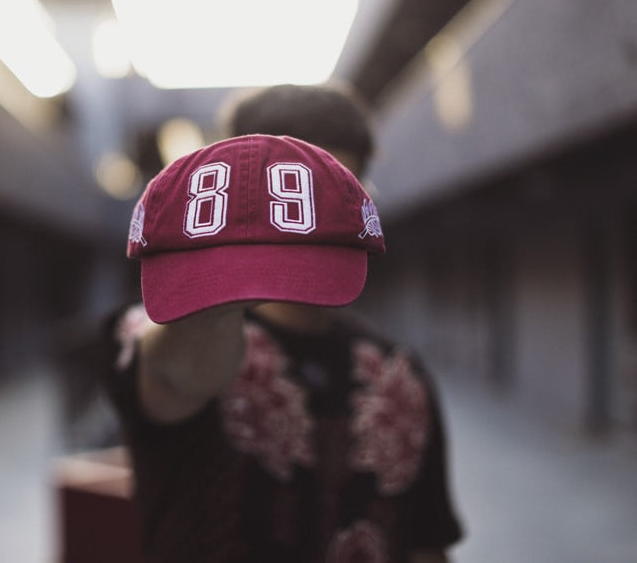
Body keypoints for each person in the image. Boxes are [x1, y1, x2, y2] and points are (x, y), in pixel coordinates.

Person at [100, 85, 463, 563]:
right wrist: (222, 270)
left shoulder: (399, 372)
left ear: (364, 195)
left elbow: (425, 544)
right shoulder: (160, 332)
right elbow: (177, 372)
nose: (312, 217)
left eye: (334, 187)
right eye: (296, 191)